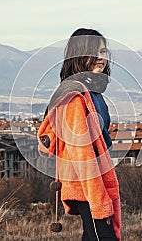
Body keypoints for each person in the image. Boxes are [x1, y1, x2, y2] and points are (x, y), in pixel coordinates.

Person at [38, 28, 121, 240]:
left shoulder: (92, 93)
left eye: (103, 51)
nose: (101, 58)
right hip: (88, 186)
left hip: (92, 183)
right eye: (95, 52)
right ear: (80, 55)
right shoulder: (76, 98)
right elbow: (81, 154)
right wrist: (98, 200)